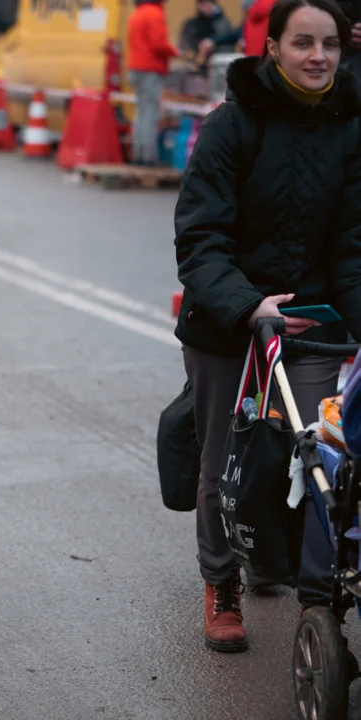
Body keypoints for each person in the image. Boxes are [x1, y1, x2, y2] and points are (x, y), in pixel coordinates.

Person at [174, 0, 361, 653]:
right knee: (224, 460)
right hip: (229, 325)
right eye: (302, 43)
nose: (317, 57)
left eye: (329, 44)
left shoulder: (348, 125)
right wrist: (246, 304)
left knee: (314, 457)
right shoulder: (232, 125)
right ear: (273, 47)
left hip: (311, 324)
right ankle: (220, 582)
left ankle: (305, 582)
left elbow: (351, 242)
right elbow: (199, 236)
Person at [126, 0, 179, 166]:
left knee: (141, 112)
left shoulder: (137, 13)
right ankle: (148, 156)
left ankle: (138, 152)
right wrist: (176, 52)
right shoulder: (155, 13)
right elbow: (159, 44)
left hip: (135, 67)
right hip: (150, 68)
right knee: (150, 113)